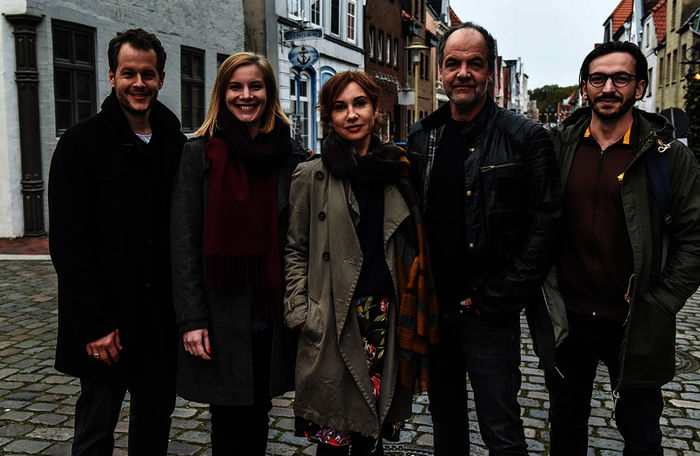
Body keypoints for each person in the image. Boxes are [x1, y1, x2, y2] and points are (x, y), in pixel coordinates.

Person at [406, 22, 561, 455]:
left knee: (502, 430)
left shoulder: (525, 138)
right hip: (435, 310)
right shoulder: (424, 136)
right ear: (440, 71)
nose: (463, 73)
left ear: (491, 70)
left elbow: (546, 226)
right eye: (453, 63)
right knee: (445, 424)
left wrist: (497, 298)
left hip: (488, 314)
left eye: (474, 63)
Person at [544, 41, 700, 455]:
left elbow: (695, 237)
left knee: (642, 433)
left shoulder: (669, 158)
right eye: (598, 79)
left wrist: (664, 300)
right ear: (584, 88)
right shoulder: (559, 149)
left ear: (641, 86)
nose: (608, 87)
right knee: (565, 425)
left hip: (636, 321)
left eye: (620, 78)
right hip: (569, 318)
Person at [285, 71, 439, 456]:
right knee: (335, 431)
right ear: (329, 117)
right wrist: (301, 310)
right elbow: (296, 248)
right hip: (333, 312)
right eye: (340, 107)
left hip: (383, 312)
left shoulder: (399, 171)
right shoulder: (311, 174)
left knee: (372, 428)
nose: (351, 114)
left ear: (375, 111)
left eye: (359, 104)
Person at [48, 29, 185, 455]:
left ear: (161, 78)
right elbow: (68, 244)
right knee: (95, 429)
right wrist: (93, 324)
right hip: (106, 322)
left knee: (153, 426)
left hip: (159, 321)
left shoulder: (174, 142)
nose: (139, 84)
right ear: (111, 76)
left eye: (148, 74)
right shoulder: (80, 143)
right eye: (129, 74)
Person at [170, 52, 304, 455]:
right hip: (220, 312)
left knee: (260, 411)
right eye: (236, 87)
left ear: (269, 92)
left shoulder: (291, 156)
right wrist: (191, 318)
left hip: (270, 312)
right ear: (222, 93)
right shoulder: (199, 154)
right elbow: (184, 241)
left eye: (255, 86)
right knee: (226, 420)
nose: (246, 95)